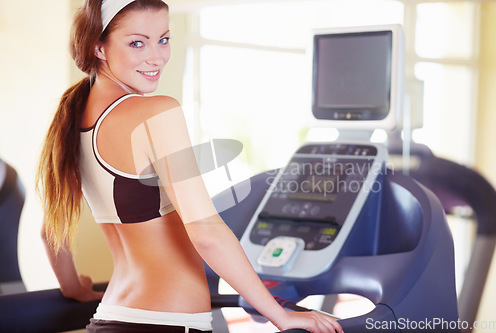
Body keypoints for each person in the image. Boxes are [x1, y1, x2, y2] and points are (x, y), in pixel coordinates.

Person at [36, 0, 343, 332]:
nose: (156, 57)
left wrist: (73, 288)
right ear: (99, 47)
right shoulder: (156, 112)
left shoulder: (76, 118)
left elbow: (50, 231)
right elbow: (206, 232)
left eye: (164, 39)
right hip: (167, 322)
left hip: (111, 315)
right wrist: (279, 315)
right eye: (137, 42)